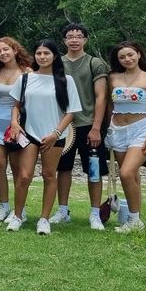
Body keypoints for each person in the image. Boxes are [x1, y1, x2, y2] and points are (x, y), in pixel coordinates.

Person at [7, 40, 81, 235]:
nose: (42, 57)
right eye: (38, 53)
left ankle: (44, 219)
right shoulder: (25, 79)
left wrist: (55, 134)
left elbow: (71, 112)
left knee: (49, 175)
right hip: (29, 133)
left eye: (46, 53)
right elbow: (15, 105)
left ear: (54, 56)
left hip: (54, 135)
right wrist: (15, 123)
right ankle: (17, 215)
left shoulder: (66, 80)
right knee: (24, 176)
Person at [51, 23, 110, 230]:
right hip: (63, 125)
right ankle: (63, 210)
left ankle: (95, 213)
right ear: (64, 40)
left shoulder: (95, 63)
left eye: (78, 36)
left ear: (85, 39)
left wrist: (96, 127)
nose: (74, 40)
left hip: (88, 124)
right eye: (70, 36)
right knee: (63, 168)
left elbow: (101, 96)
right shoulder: (57, 63)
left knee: (94, 169)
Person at [106, 41, 146, 233]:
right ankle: (134, 218)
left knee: (127, 173)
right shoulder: (113, 78)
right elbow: (109, 106)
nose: (127, 59)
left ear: (138, 54)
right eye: (122, 57)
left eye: (130, 55)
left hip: (141, 128)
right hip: (118, 129)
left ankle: (134, 219)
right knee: (131, 176)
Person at [0, 37, 31, 222]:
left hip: (17, 125)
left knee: (18, 168)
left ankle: (21, 209)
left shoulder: (27, 72)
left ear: (15, 50)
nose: (3, 53)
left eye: (6, 50)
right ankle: (3, 205)